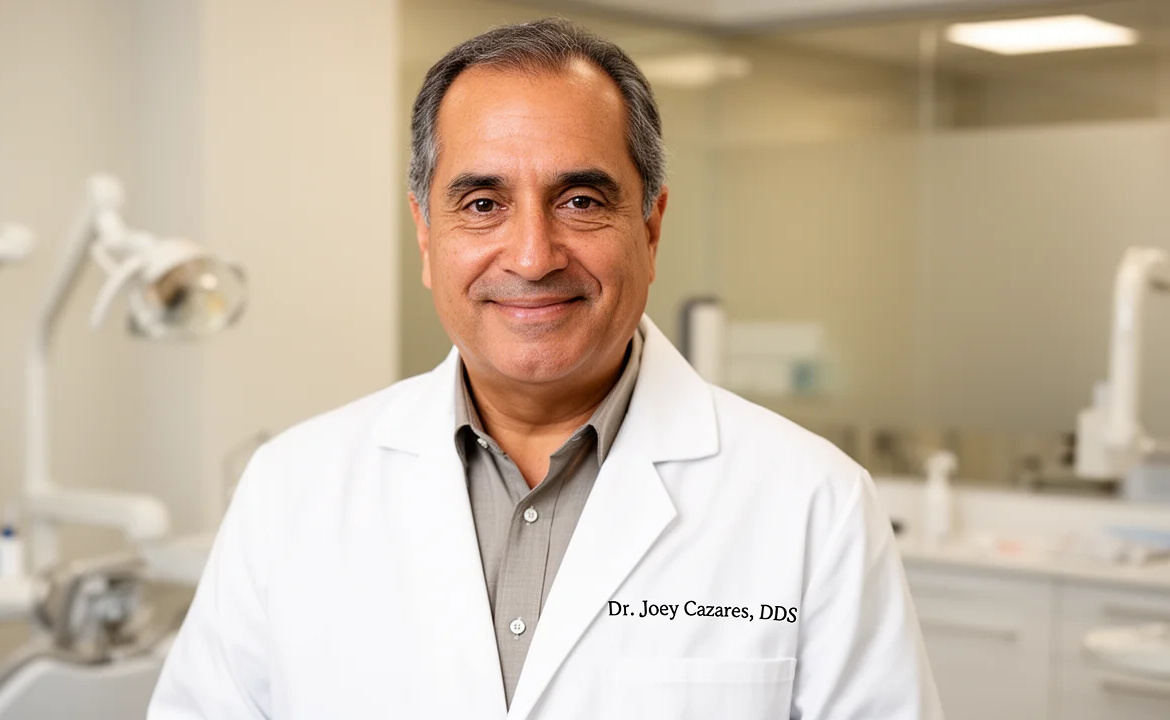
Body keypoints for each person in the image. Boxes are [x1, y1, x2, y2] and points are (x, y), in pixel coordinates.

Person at [149, 18, 942, 720]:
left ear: (652, 225)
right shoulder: (291, 488)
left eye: (581, 201)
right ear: (427, 236)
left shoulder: (813, 503)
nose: (532, 256)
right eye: (483, 204)